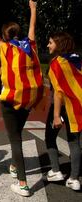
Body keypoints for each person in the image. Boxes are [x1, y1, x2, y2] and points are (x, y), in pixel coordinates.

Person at [0, 0, 44, 197]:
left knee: (15, 140)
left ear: (5, 36)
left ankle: (23, 184)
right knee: (17, 133)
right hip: (28, 99)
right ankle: (15, 164)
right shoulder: (31, 45)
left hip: (10, 99)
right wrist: (33, 9)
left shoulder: (6, 48)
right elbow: (32, 26)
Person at [46, 32, 81, 191]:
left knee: (50, 137)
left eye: (50, 42)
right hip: (79, 107)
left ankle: (55, 170)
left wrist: (55, 114)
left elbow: (58, 92)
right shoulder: (77, 59)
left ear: (59, 45)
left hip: (63, 107)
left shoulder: (56, 64)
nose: (48, 45)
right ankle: (74, 178)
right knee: (74, 143)